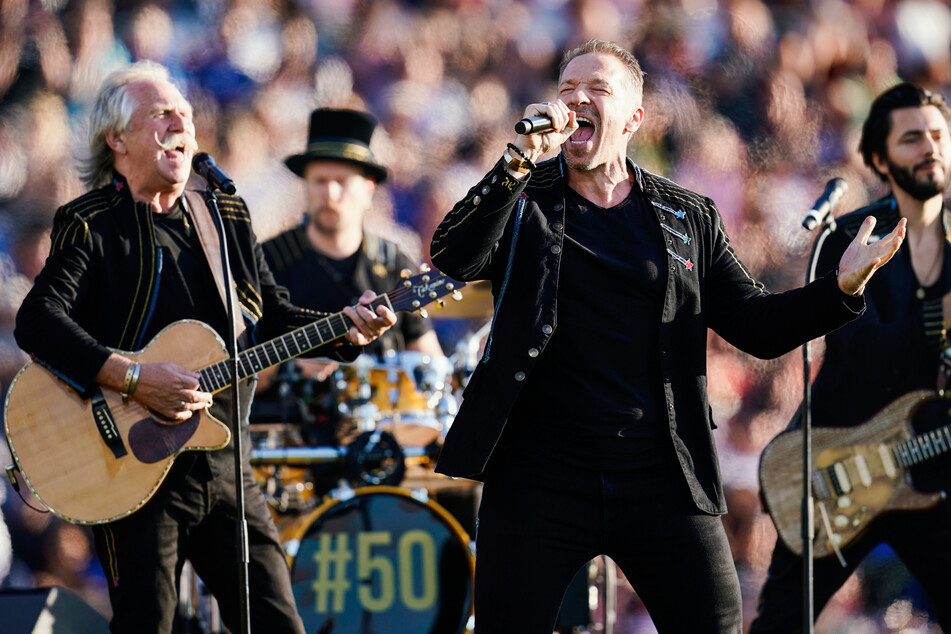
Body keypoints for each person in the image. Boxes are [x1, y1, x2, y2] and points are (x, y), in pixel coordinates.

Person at [429, 38, 906, 633]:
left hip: (659, 471)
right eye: (567, 88)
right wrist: (515, 164)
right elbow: (453, 256)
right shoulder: (525, 198)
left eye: (596, 89)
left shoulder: (687, 216)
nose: (576, 98)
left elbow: (755, 326)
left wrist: (840, 288)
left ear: (633, 119)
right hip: (539, 472)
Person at [12, 60, 395, 633]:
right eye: (162, 113)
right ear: (118, 139)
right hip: (128, 466)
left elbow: (271, 315)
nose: (180, 123)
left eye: (186, 114)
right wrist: (134, 380)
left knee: (277, 622)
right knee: (151, 623)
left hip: (224, 465)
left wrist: (344, 328)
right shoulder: (90, 223)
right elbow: (37, 321)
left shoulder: (225, 214)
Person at [750, 84, 951, 632]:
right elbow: (860, 354)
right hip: (837, 472)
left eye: (938, 135)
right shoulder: (849, 236)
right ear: (881, 159)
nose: (930, 147)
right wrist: (938, 318)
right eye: (912, 138)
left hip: (932, 475)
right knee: (781, 625)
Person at [256, 109, 443, 437]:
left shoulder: (392, 261)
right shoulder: (268, 261)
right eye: (319, 181)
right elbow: (236, 373)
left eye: (341, 182)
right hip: (286, 439)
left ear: (369, 189)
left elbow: (427, 361)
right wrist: (291, 367)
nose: (329, 194)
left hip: (377, 439)